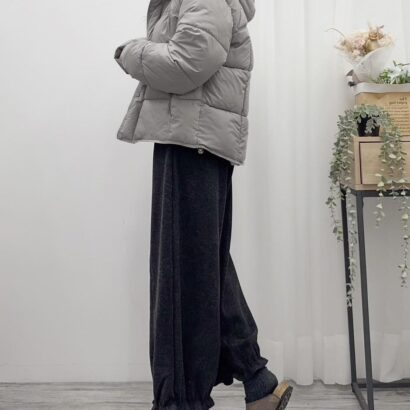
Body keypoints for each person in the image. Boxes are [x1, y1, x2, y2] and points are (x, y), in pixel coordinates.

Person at [114, 0, 293, 409]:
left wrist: (130, 52)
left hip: (191, 141)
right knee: (202, 264)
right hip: (194, 139)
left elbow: (186, 63)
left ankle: (181, 401)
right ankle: (257, 381)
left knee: (181, 274)